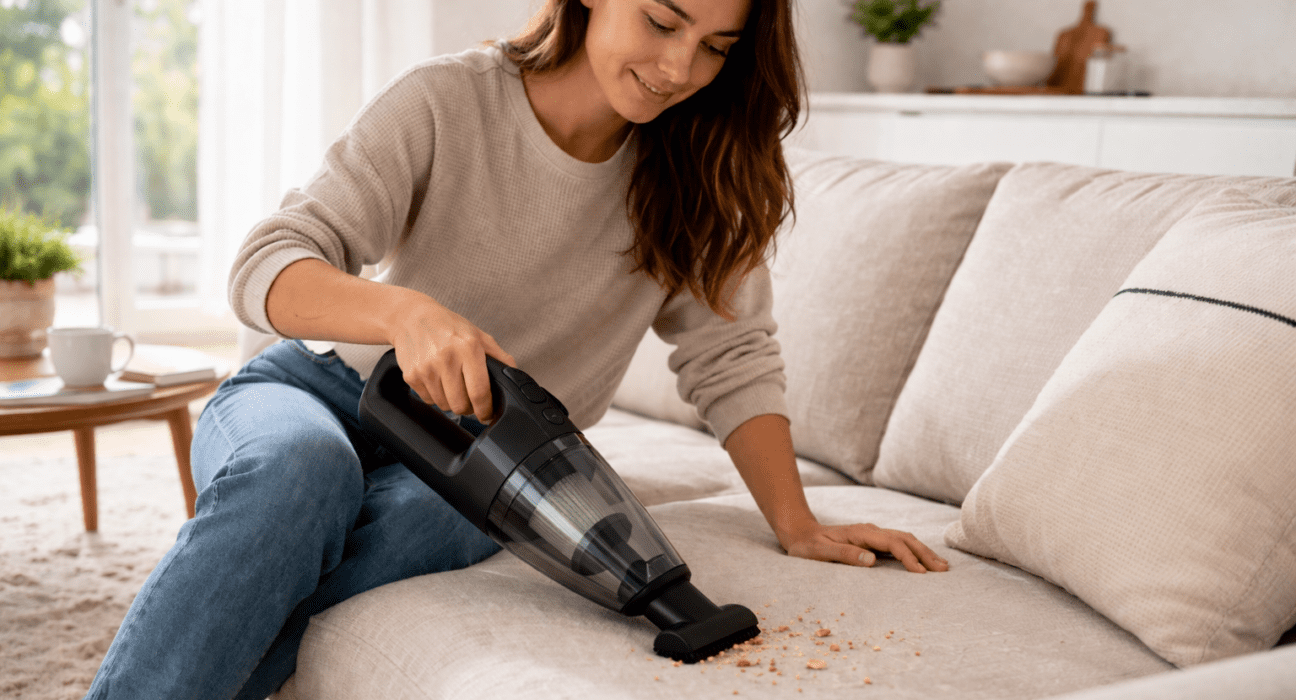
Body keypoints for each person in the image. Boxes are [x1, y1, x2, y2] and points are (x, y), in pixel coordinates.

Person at [86, 0, 948, 697]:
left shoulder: (699, 172)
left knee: (440, 518)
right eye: (661, 20)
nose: (682, 68)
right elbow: (267, 263)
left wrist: (795, 524)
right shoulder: (447, 101)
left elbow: (732, 359)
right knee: (303, 471)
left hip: (488, 458)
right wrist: (404, 314)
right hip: (317, 388)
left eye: (717, 46)